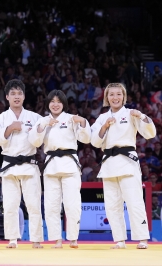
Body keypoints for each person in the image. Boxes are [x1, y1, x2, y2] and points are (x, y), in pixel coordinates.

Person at [90, 82, 156, 249]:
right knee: (112, 205)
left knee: (134, 201)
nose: (115, 97)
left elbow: (150, 133)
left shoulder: (131, 113)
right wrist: (104, 127)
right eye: (111, 94)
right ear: (107, 98)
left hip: (128, 162)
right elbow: (95, 142)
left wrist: (141, 116)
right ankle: (119, 240)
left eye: (118, 94)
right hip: (109, 163)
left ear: (124, 96)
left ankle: (142, 239)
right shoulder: (102, 118)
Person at [29, 90, 91, 249]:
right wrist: (43, 126)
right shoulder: (42, 120)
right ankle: (56, 239)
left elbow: (85, 138)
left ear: (64, 104)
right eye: (52, 101)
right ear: (48, 104)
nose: (55, 104)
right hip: (51, 166)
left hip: (70, 164)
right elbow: (35, 142)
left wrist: (82, 122)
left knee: (73, 204)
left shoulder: (71, 119)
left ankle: (73, 238)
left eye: (58, 101)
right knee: (51, 205)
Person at [0, 79, 43, 249]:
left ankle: (36, 239)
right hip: (9, 166)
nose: (16, 96)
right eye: (13, 93)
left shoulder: (35, 117)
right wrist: (9, 128)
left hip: (30, 164)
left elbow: (42, 139)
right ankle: (12, 239)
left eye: (19, 93)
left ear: (24, 96)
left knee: (33, 204)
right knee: (10, 205)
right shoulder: (1, 119)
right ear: (7, 97)